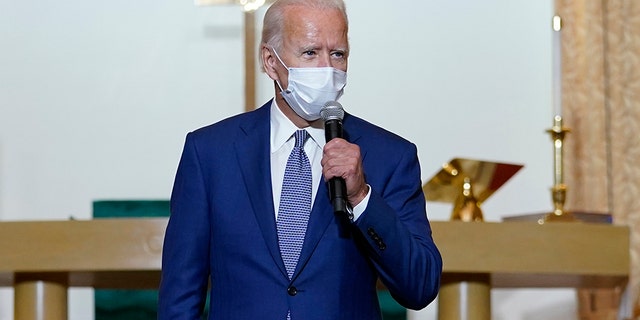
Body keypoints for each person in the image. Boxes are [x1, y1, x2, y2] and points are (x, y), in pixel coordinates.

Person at [158, 0, 442, 319]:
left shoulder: (390, 155)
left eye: (338, 54)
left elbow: (420, 287)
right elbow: (181, 294)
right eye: (310, 53)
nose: (327, 69)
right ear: (271, 61)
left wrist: (361, 198)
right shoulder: (210, 152)